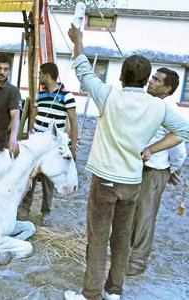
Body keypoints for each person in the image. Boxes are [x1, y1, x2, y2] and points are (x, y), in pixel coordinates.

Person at [64, 24, 189, 300]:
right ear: (146, 81)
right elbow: (184, 131)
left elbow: (82, 69)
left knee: (98, 238)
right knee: (121, 239)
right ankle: (115, 291)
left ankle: (90, 293)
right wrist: (152, 148)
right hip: (132, 182)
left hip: (105, 180)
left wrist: (79, 40)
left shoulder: (108, 95)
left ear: (120, 76)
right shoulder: (157, 107)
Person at [128, 68, 187, 276]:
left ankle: (137, 263)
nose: (151, 82)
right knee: (130, 213)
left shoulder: (168, 111)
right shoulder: (147, 104)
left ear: (168, 88)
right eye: (152, 77)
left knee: (145, 216)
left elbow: (180, 148)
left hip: (155, 171)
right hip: (136, 167)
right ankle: (125, 256)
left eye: (157, 80)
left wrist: (171, 170)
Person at [18, 62, 78, 223]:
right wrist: (30, 134)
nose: (39, 77)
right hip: (37, 143)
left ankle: (46, 212)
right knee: (30, 174)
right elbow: (34, 115)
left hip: (52, 146)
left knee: (48, 180)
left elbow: (73, 121)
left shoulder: (67, 96)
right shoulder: (41, 95)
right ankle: (24, 209)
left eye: (41, 74)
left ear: (47, 75)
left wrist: (73, 146)